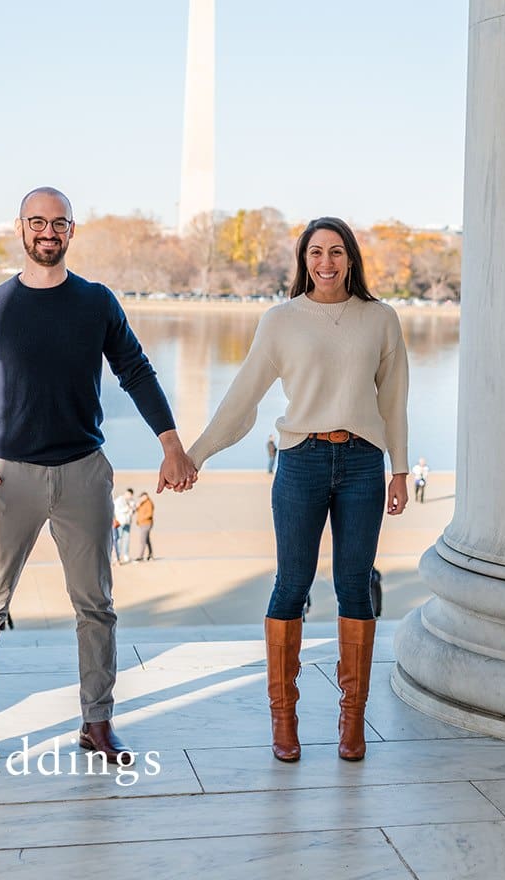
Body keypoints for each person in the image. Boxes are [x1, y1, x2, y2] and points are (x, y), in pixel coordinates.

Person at [0, 186, 195, 781]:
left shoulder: (96, 303)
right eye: (37, 222)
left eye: (58, 223)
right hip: (10, 478)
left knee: (96, 606)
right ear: (20, 228)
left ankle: (96, 722)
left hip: (84, 473)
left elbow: (135, 370)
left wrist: (171, 442)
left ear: (71, 231)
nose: (47, 232)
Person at [186, 216, 409, 764]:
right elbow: (243, 397)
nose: (326, 263)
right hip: (300, 461)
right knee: (292, 584)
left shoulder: (381, 319)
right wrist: (195, 454)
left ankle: (351, 722)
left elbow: (394, 402)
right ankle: (283, 719)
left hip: (361, 463)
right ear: (303, 260)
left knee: (356, 586)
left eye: (336, 252)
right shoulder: (280, 320)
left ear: (351, 258)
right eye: (315, 253)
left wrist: (399, 469)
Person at [113, 488, 135, 564]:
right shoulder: (119, 500)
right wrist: (127, 509)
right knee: (118, 539)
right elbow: (116, 509)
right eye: (128, 494)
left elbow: (133, 510)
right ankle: (117, 556)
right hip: (120, 522)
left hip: (128, 522)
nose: (129, 496)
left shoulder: (132, 501)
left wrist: (131, 509)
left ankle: (126, 555)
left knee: (127, 539)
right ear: (126, 493)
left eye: (131, 495)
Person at [132, 491, 155, 562]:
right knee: (147, 540)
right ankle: (150, 555)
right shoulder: (142, 503)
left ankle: (141, 557)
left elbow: (149, 514)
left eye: (141, 497)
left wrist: (141, 519)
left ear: (145, 496)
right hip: (142, 524)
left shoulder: (149, 503)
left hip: (146, 524)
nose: (141, 499)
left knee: (143, 540)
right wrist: (138, 505)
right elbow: (135, 511)